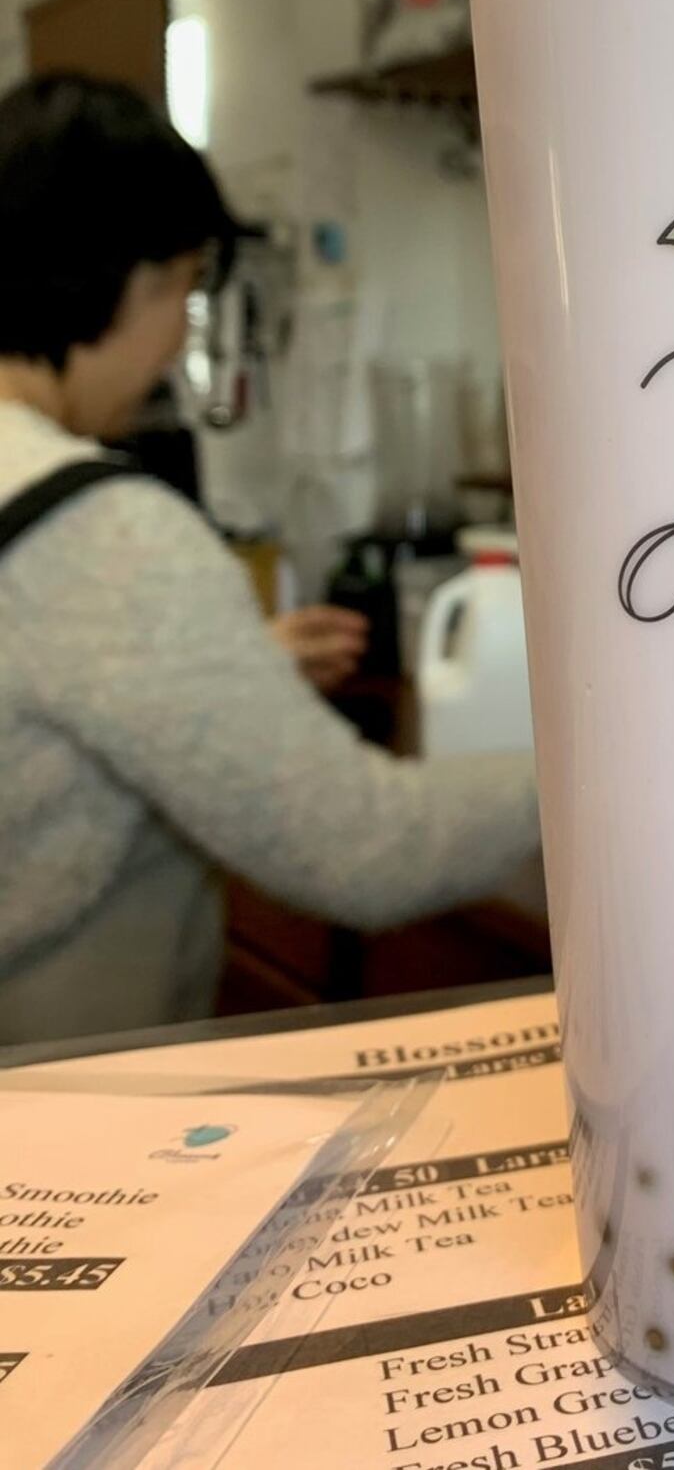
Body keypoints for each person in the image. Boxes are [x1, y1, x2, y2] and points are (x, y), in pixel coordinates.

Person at [0, 74, 539, 1042]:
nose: (176, 347)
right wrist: (596, 774)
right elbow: (367, 847)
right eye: (187, 293)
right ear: (135, 275)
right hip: (60, 1121)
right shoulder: (102, 532)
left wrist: (230, 669)